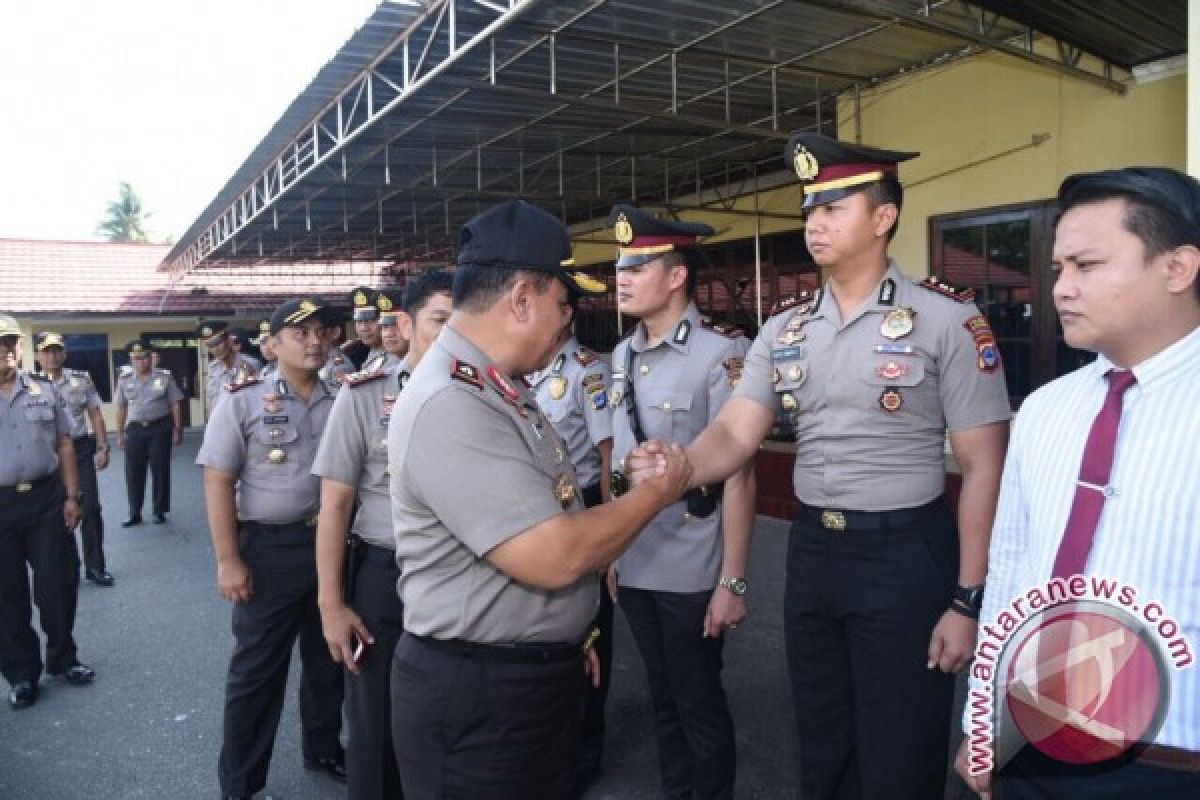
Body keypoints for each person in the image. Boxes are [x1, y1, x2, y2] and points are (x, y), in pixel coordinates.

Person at [627, 133, 1012, 800]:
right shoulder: (785, 330)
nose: (815, 224)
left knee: (900, 747)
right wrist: (683, 462)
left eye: (834, 208)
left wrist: (968, 599)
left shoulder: (946, 319)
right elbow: (736, 434)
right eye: (810, 210)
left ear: (883, 218)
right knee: (824, 741)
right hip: (813, 553)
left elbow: (985, 466)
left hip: (904, 553)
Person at [387, 199, 693, 798]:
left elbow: (551, 506)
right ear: (522, 297)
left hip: (520, 678)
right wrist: (656, 495)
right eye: (561, 303)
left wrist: (566, 642)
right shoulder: (454, 401)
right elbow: (552, 555)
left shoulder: (500, 388)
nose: (565, 320)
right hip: (481, 698)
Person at [955, 167, 1200, 799]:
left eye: (1086, 266)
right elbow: (1011, 566)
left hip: (1171, 753)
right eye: (1059, 267)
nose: (1061, 288)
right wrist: (983, 716)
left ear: (1178, 268)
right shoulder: (1045, 409)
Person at [605, 204, 756, 800]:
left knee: (698, 704)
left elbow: (740, 477)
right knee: (661, 700)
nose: (622, 276)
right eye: (621, 265)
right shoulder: (621, 356)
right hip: (637, 559)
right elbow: (618, 466)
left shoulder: (722, 353)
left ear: (675, 277)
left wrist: (734, 580)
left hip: (693, 564)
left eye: (638, 265)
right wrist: (611, 548)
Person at [197, 298, 347, 800]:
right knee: (258, 670)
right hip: (269, 549)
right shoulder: (241, 399)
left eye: (320, 332)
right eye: (299, 333)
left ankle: (323, 748)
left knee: (330, 658)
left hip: (333, 545)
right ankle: (240, 780)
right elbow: (218, 482)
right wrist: (228, 559)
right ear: (273, 344)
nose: (313, 341)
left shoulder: (343, 397)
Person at [313, 272, 452, 799]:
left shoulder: (485, 392)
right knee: (375, 719)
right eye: (441, 319)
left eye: (462, 321)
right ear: (407, 323)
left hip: (459, 576)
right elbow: (334, 504)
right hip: (384, 575)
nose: (452, 332)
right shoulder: (365, 396)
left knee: (446, 715)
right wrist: (331, 604)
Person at [527, 319, 615, 795]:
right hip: (541, 509)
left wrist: (611, 529)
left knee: (592, 628)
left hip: (584, 503)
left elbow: (607, 453)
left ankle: (587, 748)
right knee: (551, 623)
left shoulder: (588, 373)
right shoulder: (526, 372)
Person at [0, 314, 94, 711]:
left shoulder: (43, 390)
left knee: (57, 583)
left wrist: (72, 496)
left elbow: (66, 444)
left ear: (20, 347)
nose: (4, 351)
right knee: (8, 595)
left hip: (45, 499)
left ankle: (63, 658)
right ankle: (22, 674)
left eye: (9, 343)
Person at [34, 331, 114, 586]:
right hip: (47, 456)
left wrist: (103, 446)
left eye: (57, 350)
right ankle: (63, 569)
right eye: (47, 351)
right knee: (53, 514)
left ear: (65, 354)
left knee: (90, 509)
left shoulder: (81, 380)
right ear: (37, 356)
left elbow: (96, 414)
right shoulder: (29, 384)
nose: (53, 356)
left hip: (80, 450)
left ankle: (95, 566)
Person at [115, 339, 184, 527]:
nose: (141, 362)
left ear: (150, 357)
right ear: (131, 360)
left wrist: (177, 429)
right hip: (135, 429)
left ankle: (159, 510)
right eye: (137, 359)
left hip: (159, 428)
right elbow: (121, 408)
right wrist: (120, 434)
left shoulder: (164, 377)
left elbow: (175, 403)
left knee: (160, 469)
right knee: (133, 472)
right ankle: (134, 512)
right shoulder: (124, 379)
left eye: (145, 358)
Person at [200, 320, 261, 417]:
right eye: (211, 345)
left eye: (218, 343)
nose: (216, 349)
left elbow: (258, 399)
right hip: (219, 422)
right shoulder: (213, 368)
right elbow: (213, 400)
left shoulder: (250, 364)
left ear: (229, 341)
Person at [349, 286, 387, 369]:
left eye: (371, 320)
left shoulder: (395, 356)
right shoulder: (362, 351)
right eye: (359, 321)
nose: (363, 328)